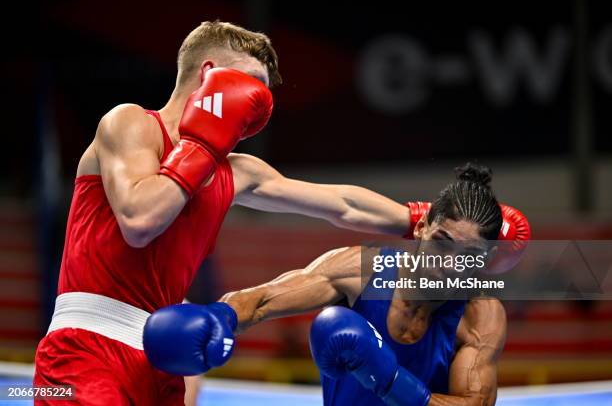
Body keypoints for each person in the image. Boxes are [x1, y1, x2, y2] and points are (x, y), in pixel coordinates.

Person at [33, 20, 431, 405]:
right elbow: (139, 221)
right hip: (87, 348)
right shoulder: (131, 124)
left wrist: (421, 219)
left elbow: (342, 204)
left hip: (165, 355)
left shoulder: (235, 171)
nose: (257, 103)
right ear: (210, 73)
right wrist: (201, 146)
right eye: (250, 84)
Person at [144, 163, 531, 406]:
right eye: (442, 243)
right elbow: (262, 300)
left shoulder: (481, 314)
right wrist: (220, 317)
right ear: (421, 227)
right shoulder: (362, 272)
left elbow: (475, 403)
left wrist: (391, 381)